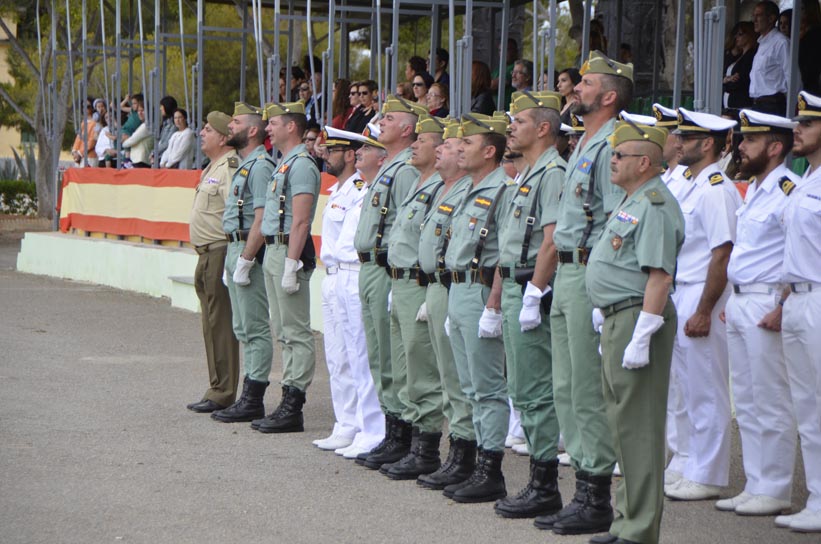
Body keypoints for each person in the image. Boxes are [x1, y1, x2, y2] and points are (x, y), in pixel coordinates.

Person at [534, 51, 633, 536]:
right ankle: (581, 487)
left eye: (587, 83)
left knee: (588, 389)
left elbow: (617, 222)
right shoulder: (585, 142)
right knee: (566, 386)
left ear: (609, 96)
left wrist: (603, 287)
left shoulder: (614, 142)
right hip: (567, 272)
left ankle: (596, 495)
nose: (576, 88)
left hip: (589, 273)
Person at [585, 120, 684, 544]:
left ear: (644, 163)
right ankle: (625, 520)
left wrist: (643, 335)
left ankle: (639, 529)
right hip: (618, 317)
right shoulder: (633, 200)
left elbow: (660, 275)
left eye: (620, 155)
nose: (612, 161)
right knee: (622, 425)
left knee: (639, 428)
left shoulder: (655, 204)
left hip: (638, 318)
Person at [720, 109, 799, 515]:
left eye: (751, 140)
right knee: (748, 400)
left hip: (767, 300)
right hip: (740, 300)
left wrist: (783, 303)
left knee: (771, 399)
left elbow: (800, 253)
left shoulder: (789, 190)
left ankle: (775, 486)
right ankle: (756, 481)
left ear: (774, 147)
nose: (742, 147)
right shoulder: (755, 188)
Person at [493, 91, 567, 519]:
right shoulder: (527, 174)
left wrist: (535, 292)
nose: (511, 127)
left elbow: (551, 241)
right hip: (514, 286)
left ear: (542, 129)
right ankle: (540, 479)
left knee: (536, 390)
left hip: (530, 288)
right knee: (522, 387)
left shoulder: (552, 173)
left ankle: (545, 484)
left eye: (519, 121)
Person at [661, 108, 741, 504]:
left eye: (686, 138)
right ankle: (687, 459)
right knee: (683, 385)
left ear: (708, 144)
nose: (678, 143)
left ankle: (707, 473)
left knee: (706, 387)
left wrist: (706, 309)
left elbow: (722, 254)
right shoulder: (690, 184)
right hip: (681, 289)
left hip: (700, 291)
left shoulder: (715, 188)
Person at [441, 112, 513, 504]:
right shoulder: (471, 188)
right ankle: (472, 463)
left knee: (487, 387)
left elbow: (504, 253)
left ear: (489, 151)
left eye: (467, 143)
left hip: (481, 291)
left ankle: (491, 470)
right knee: (468, 385)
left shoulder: (503, 190)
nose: (460, 149)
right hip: (458, 289)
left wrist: (494, 305)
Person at [353, 96, 426, 470]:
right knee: (379, 354)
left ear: (407, 129)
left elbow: (405, 227)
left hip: (386, 269)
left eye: (390, 117)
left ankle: (403, 434)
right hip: (369, 267)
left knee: (393, 356)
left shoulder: (405, 170)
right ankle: (391, 430)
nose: (381, 121)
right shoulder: (390, 167)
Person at [379, 114, 447, 480]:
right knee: (402, 367)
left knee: (422, 370)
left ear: (439, 150)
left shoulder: (439, 187)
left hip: (418, 284)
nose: (415, 145)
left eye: (422, 140)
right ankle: (401, 438)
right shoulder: (418, 182)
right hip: (399, 281)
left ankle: (425, 449)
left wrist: (425, 289)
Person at [249, 101, 321, 435]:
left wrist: (292, 263)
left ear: (291, 126)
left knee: (295, 331)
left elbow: (301, 220)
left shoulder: (302, 164)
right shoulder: (284, 163)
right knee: (282, 329)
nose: (268, 129)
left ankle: (294, 403)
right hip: (274, 248)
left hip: (287, 250)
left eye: (273, 123)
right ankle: (287, 397)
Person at [415, 119, 477, 489]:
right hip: (436, 286)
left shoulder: (468, 190)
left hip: (455, 287)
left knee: (457, 377)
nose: (440, 150)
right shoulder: (442, 188)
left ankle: (464, 453)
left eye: (450, 146)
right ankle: (455, 453)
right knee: (445, 375)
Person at [211, 102, 275, 424]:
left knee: (254, 326)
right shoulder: (246, 164)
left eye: (236, 122)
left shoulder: (260, 166)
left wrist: (247, 259)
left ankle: (254, 396)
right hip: (235, 245)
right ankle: (248, 395)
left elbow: (261, 218)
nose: (230, 127)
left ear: (252, 130)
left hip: (247, 248)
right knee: (242, 326)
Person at [777, 90, 821, 533]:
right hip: (797, 297)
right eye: (798, 122)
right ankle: (817, 497)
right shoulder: (804, 180)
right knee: (807, 407)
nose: (798, 129)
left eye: (808, 124)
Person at [313, 126, 367, 451]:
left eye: (332, 150)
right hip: (332, 275)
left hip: (351, 274)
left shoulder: (360, 189)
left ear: (349, 155)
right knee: (336, 356)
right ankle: (344, 423)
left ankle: (361, 425)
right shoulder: (337, 190)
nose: (325, 155)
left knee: (356, 354)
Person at [186, 111, 241, 414]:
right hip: (206, 253)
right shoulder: (213, 166)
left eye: (208, 129)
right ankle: (216, 386)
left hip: (219, 252)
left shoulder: (229, 166)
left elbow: (235, 210)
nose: (201, 133)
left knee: (220, 325)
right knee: (210, 324)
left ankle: (224, 391)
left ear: (222, 137)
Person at [749, 0, 790, 115]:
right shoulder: (762, 43)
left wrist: (792, 109)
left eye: (758, 15)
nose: (754, 20)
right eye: (753, 16)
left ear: (771, 18)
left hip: (773, 105)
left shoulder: (781, 42)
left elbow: (792, 77)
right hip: (758, 104)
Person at [722, 22, 758, 116]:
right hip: (731, 106)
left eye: (740, 34)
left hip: (741, 105)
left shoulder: (750, 56)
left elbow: (741, 81)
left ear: (749, 35)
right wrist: (727, 79)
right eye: (736, 34)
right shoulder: (740, 56)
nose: (736, 37)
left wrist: (726, 82)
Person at [799, 0, 821, 95]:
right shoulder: (800, 32)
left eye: (802, 9)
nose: (798, 12)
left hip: (810, 84)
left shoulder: (815, 34)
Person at [122, 103, 152, 168]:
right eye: (138, 111)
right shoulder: (146, 125)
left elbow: (130, 141)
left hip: (140, 160)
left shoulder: (146, 126)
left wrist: (124, 141)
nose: (140, 113)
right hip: (139, 160)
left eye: (142, 110)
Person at [71, 101, 97, 167]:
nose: (85, 109)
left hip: (90, 156)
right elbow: (78, 138)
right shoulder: (83, 122)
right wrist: (74, 151)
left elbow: (92, 141)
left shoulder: (95, 123)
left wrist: (80, 153)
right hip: (80, 157)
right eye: (83, 107)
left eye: (88, 106)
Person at [155, 95, 179, 165]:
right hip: (160, 156)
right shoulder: (165, 123)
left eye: (161, 106)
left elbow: (166, 143)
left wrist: (154, 152)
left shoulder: (173, 125)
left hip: (166, 159)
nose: (160, 109)